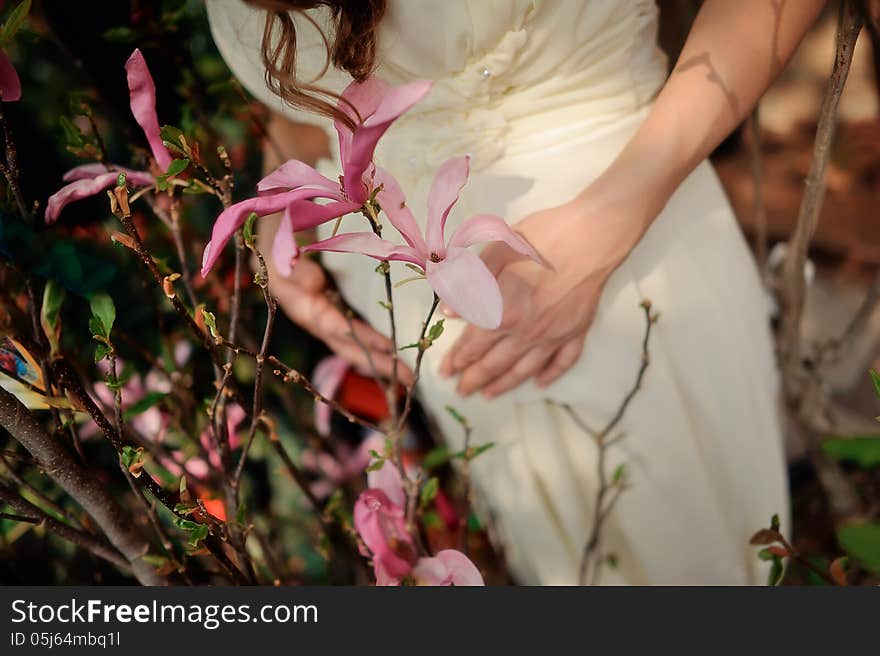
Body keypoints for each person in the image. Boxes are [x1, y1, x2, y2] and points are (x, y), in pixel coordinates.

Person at [206, 0, 825, 584]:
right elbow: (310, 103)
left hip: (627, 276)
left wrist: (611, 221)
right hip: (443, 343)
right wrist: (282, 218)